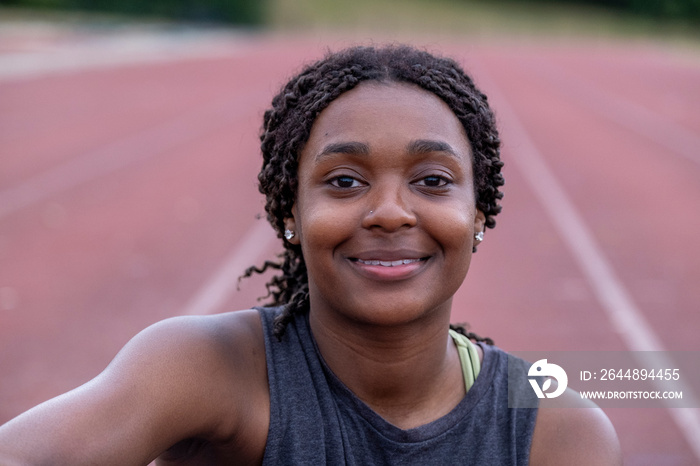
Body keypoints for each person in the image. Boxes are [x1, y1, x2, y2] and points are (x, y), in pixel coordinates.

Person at [0, 44, 621, 465]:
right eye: (345, 182)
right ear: (290, 214)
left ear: (479, 214)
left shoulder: (556, 430)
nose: (391, 211)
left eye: (432, 180)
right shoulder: (208, 371)